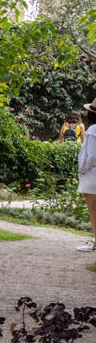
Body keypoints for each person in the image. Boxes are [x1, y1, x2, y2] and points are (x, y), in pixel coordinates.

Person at [78, 102, 96, 251]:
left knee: (93, 210)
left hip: (92, 175)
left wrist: (82, 169)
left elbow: (90, 155)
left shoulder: (93, 130)